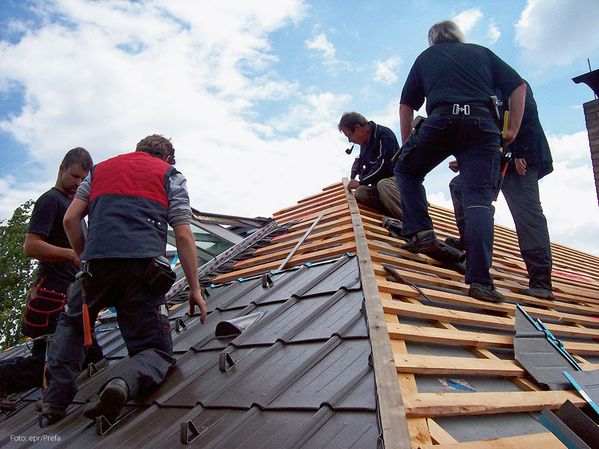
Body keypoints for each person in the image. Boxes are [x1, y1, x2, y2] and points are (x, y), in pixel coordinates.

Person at [40, 134, 208, 425]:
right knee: (154, 350)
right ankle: (121, 381)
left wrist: (85, 258)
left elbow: (70, 220)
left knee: (73, 325)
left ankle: (54, 403)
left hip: (96, 266)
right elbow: (182, 234)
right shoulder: (170, 175)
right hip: (142, 270)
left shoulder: (100, 170)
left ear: (137, 151)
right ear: (168, 159)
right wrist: (195, 289)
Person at [395, 20, 527, 303]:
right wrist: (512, 129)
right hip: (482, 126)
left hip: (441, 120)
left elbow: (407, 105)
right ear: (458, 36)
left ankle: (420, 231)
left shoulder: (426, 57)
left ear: (433, 40)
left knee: (406, 168)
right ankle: (481, 282)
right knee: (478, 201)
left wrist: (407, 144)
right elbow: (519, 87)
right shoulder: (482, 53)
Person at [0, 148, 102, 396]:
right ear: (61, 169)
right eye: (74, 176)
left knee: (87, 358)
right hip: (52, 298)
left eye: (83, 180)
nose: (77, 183)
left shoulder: (73, 205)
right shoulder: (51, 201)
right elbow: (31, 245)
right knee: (53, 363)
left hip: (68, 295)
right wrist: (69, 254)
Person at [447, 80, 555, 300]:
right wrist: (467, 160)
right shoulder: (477, 91)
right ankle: (470, 246)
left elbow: (528, 115)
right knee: (459, 187)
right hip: (496, 157)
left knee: (527, 215)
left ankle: (541, 282)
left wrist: (520, 152)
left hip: (521, 159)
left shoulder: (508, 82)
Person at [338, 112, 403, 220]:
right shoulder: (364, 145)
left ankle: (410, 222)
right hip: (381, 188)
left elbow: (384, 165)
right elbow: (371, 169)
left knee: (383, 185)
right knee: (361, 192)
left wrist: (361, 181)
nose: (349, 140)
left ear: (358, 127)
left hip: (397, 183)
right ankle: (391, 213)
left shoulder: (384, 135)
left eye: (349, 135)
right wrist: (361, 171)